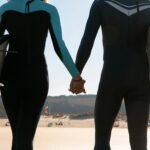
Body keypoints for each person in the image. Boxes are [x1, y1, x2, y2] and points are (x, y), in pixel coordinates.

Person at [0, 0, 85, 150]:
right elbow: (59, 46)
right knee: (23, 138)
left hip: (9, 78)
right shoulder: (49, 10)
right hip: (36, 77)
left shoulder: (5, 9)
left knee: (20, 137)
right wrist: (76, 76)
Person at [70, 0, 150, 150]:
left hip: (111, 77)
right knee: (139, 143)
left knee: (101, 140)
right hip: (141, 79)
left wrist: (76, 75)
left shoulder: (101, 3)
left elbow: (87, 41)